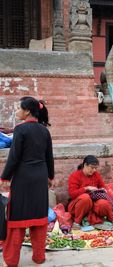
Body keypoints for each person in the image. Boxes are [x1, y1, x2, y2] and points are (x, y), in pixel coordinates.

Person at [0, 96, 54, 266]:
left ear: (28, 111)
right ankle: (39, 257)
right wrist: (50, 177)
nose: (17, 111)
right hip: (40, 177)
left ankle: (11, 260)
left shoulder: (20, 130)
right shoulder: (44, 131)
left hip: (23, 178)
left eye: (19, 108)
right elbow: (49, 157)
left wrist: (4, 177)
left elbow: (14, 157)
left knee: (17, 220)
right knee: (39, 219)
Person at [68, 155, 113, 228]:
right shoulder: (75, 176)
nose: (94, 170)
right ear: (85, 165)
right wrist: (86, 188)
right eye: (92, 168)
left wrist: (102, 190)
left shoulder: (96, 175)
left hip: (94, 202)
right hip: (79, 204)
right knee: (85, 198)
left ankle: (112, 219)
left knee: (103, 203)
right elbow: (72, 194)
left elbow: (102, 186)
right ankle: (77, 222)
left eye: (96, 168)